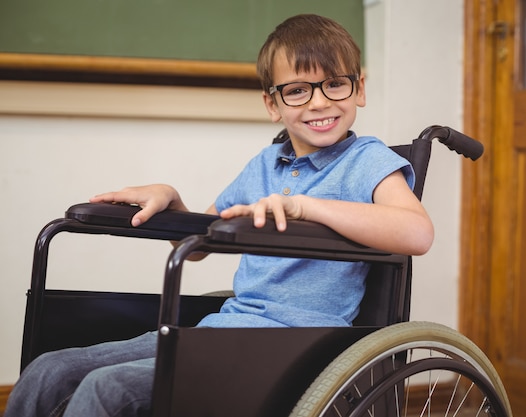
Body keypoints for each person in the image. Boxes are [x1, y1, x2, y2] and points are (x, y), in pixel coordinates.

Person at [5, 14, 434, 417]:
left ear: (358, 88)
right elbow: (196, 247)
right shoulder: (264, 165)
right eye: (298, 90)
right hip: (224, 328)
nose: (319, 103)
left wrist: (305, 207)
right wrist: (174, 203)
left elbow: (417, 233)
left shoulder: (366, 160)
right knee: (51, 368)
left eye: (334, 84)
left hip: (298, 346)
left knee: (108, 388)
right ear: (273, 103)